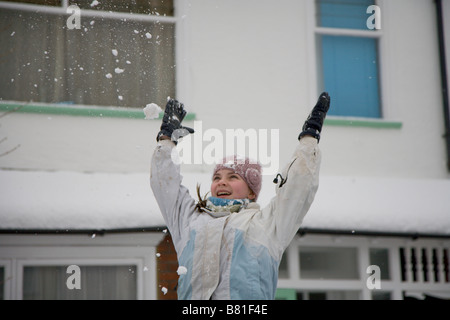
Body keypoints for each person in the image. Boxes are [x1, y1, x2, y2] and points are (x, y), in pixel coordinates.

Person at [150, 93, 330, 300]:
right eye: (217, 177)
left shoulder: (267, 225)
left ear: (252, 191)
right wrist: (166, 141)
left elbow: (298, 188)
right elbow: (164, 185)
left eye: (233, 176)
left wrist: (309, 140)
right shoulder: (190, 221)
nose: (222, 182)